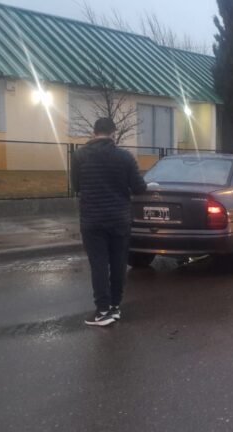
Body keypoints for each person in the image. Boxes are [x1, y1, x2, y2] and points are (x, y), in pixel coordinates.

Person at [71, 118, 147, 326]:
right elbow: (140, 188)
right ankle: (115, 307)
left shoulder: (79, 156)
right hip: (119, 219)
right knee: (118, 264)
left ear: (94, 133)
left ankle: (102, 310)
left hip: (92, 220)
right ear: (113, 133)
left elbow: (76, 186)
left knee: (99, 266)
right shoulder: (125, 157)